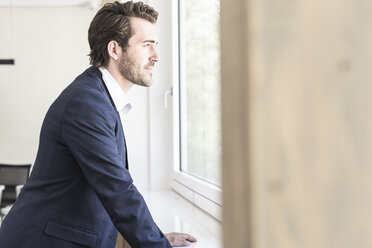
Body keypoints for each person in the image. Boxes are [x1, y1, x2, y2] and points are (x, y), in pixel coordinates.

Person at [0, 1, 197, 248]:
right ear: (115, 49)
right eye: (147, 45)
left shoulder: (98, 96)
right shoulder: (86, 103)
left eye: (155, 46)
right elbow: (117, 189)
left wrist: (157, 237)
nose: (156, 56)